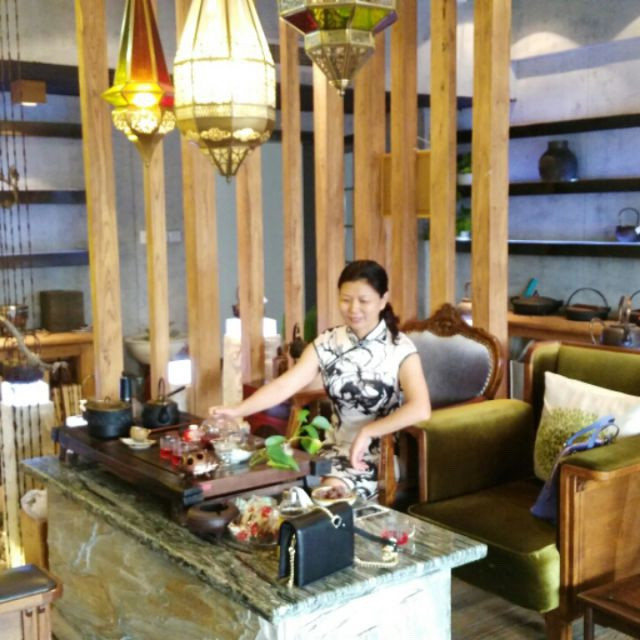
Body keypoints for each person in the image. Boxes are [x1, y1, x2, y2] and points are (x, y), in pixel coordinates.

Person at [209, 259, 431, 501]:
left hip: (379, 456)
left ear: (383, 300)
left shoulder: (400, 348)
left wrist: (368, 432)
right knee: (271, 488)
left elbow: (420, 408)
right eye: (346, 300)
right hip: (331, 451)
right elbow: (285, 384)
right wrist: (237, 410)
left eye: (363, 301)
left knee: (325, 496)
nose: (353, 309)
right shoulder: (329, 342)